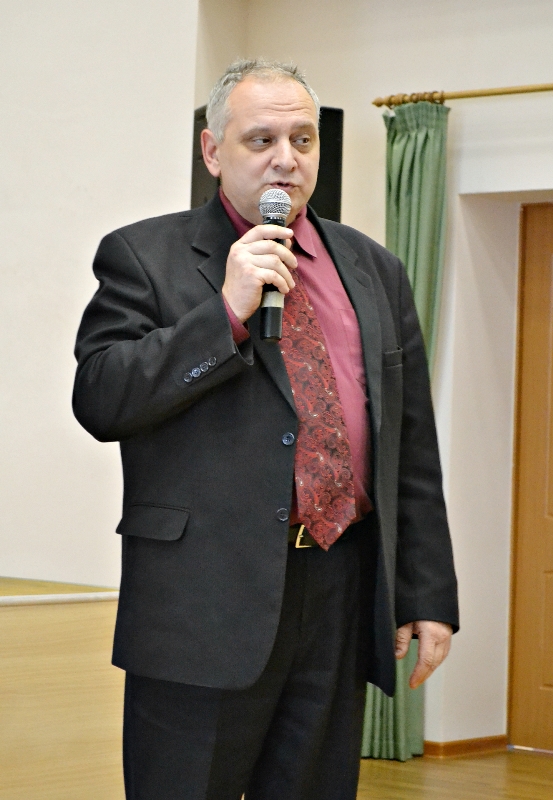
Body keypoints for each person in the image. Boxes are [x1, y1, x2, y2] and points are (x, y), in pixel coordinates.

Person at [73, 59, 458, 800]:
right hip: (203, 602)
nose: (287, 158)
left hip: (340, 586)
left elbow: (409, 443)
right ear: (212, 151)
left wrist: (425, 591)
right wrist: (223, 313)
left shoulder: (373, 268)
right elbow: (101, 398)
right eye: (261, 140)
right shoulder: (143, 256)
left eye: (303, 139)